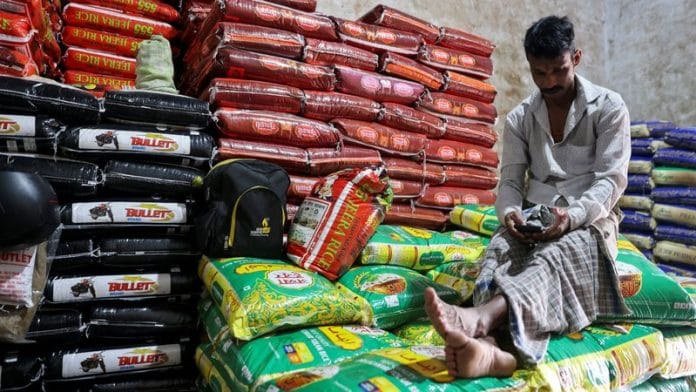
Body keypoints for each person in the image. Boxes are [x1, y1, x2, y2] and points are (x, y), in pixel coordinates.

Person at [425, 15, 631, 378]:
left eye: (558, 70)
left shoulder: (609, 107)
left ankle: (480, 319)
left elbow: (611, 182)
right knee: (499, 253)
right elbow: (510, 182)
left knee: (553, 256)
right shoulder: (521, 118)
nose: (550, 81)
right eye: (540, 73)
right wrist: (509, 214)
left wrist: (572, 217)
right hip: (534, 216)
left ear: (576, 58)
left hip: (591, 220)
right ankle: (492, 352)